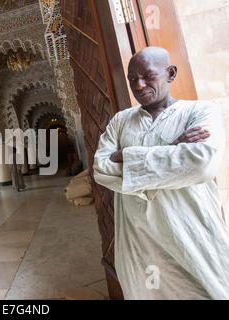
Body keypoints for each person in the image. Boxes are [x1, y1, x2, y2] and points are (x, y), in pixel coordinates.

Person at [93, 46, 229, 299]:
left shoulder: (200, 112)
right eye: (132, 79)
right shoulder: (121, 120)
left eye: (147, 76)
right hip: (139, 240)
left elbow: (201, 164)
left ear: (171, 73)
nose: (139, 85)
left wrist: (125, 156)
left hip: (191, 235)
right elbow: (102, 168)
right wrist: (170, 149)